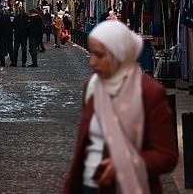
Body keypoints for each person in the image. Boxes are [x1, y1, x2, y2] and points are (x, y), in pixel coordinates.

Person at [63, 20, 178, 194]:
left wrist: (123, 164)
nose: (92, 62)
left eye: (100, 56)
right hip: (91, 185)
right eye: (92, 54)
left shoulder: (149, 93)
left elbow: (167, 156)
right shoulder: (92, 86)